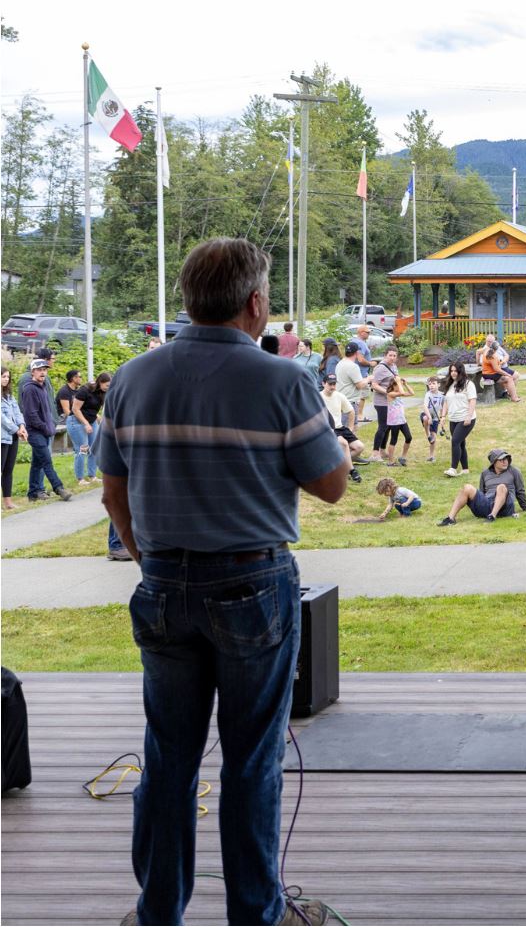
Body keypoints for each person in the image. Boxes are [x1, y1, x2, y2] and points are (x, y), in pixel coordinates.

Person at [98, 236, 349, 927]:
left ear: (187, 300)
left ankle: (158, 913)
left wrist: (150, 560)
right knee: (251, 762)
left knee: (168, 758)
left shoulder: (132, 377)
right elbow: (330, 485)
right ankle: (256, 915)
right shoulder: (284, 381)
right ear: (256, 303)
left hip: (162, 586)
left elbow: (112, 494)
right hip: (253, 583)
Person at [20, 359, 68, 502]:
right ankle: (59, 488)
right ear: (33, 372)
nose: (43, 372)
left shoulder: (42, 387)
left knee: (37, 463)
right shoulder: (29, 388)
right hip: (35, 432)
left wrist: (50, 425)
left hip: (45, 430)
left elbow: (46, 411)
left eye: (45, 370)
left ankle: (33, 493)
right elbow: (31, 415)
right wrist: (45, 427)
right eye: (39, 370)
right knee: (47, 462)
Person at [439, 448, 526, 521]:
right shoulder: (485, 473)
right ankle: (450, 518)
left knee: (501, 487)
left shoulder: (514, 471)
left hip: (505, 506)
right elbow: (482, 492)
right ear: (494, 462)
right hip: (487, 503)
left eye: (506, 459)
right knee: (467, 487)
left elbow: (520, 491)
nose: (505, 461)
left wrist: (525, 508)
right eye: (501, 459)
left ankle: (492, 516)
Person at [321, 375, 364, 483]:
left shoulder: (339, 396)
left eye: (334, 384)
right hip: (326, 429)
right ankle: (352, 471)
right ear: (323, 384)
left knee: (359, 447)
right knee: (344, 444)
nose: (332, 387)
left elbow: (351, 411)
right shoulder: (317, 397)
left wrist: (350, 427)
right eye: (330, 384)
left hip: (340, 427)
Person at [70, 371, 111, 484]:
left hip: (91, 421)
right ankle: (80, 479)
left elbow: (93, 410)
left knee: (94, 448)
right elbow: (75, 409)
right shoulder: (85, 390)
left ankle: (92, 475)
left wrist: (102, 420)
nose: (109, 388)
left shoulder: (102, 393)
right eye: (107, 385)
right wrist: (86, 423)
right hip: (76, 421)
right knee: (83, 449)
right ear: (100, 382)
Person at [443, 362, 478, 477]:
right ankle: (465, 469)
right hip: (453, 419)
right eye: (451, 371)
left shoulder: (469, 384)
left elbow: (472, 400)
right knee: (460, 443)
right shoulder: (450, 384)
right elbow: (446, 402)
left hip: (466, 419)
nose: (453, 373)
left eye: (455, 371)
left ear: (460, 371)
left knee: (455, 441)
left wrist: (468, 416)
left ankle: (453, 468)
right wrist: (443, 417)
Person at [368, 347, 402, 462]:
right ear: (385, 355)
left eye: (394, 356)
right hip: (381, 402)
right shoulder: (380, 368)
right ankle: (374, 453)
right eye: (390, 355)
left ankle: (382, 450)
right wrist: (387, 392)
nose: (392, 358)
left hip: (391, 402)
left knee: (388, 427)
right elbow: (374, 385)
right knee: (382, 427)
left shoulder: (394, 366)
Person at [2, 367, 24, 510]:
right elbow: (2, 418)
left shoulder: (9, 395)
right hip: (2, 438)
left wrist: (21, 425)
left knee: (8, 470)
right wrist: (16, 429)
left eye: (7, 377)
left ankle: (8, 502)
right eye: (3, 376)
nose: (6, 379)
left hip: (13, 436)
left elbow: (17, 411)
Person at [479, 334, 520, 401]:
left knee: (510, 377)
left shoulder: (488, 351)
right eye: (488, 341)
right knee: (509, 378)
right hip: (490, 373)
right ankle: (513, 397)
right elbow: (497, 369)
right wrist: (506, 374)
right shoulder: (492, 355)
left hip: (492, 372)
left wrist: (503, 362)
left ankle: (512, 396)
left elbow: (477, 352)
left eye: (491, 341)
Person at [420, 376, 445, 463]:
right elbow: (425, 406)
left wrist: (442, 418)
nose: (431, 386)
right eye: (429, 384)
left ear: (439, 384)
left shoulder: (442, 395)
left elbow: (443, 407)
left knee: (434, 438)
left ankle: (431, 456)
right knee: (426, 418)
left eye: (433, 384)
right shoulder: (428, 394)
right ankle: (428, 435)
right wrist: (429, 417)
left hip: (435, 417)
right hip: (426, 415)